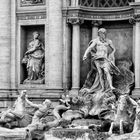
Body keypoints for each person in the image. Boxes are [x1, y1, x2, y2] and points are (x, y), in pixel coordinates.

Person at [82, 28, 120, 93]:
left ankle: (111, 86)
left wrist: (112, 54)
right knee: (100, 74)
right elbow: (90, 47)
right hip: (97, 58)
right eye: (99, 33)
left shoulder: (108, 41)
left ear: (105, 34)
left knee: (107, 71)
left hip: (105, 59)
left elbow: (114, 49)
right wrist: (85, 54)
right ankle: (102, 88)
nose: (101, 35)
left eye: (102, 33)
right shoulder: (96, 41)